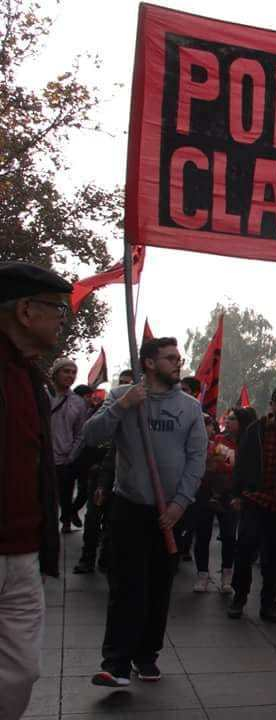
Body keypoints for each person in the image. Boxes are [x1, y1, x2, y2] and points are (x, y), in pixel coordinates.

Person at [83, 336, 207, 687]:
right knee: (126, 586)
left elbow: (197, 459)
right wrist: (123, 406)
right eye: (170, 358)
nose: (178, 363)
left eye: (178, 358)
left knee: (158, 586)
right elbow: (90, 436)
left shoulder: (190, 408)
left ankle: (146, 655)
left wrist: (180, 504)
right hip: (129, 507)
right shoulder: (123, 397)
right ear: (149, 363)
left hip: (170, 513)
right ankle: (116, 664)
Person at [0, 263, 67, 719]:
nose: (63, 319)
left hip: (25, 553)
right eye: (57, 309)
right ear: (26, 311)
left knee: (20, 673)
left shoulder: (31, 378)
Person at [227, 383, 276, 623]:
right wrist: (236, 494)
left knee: (275, 556)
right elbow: (241, 463)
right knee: (245, 550)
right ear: (271, 404)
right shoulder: (257, 429)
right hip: (255, 499)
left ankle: (269, 603)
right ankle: (239, 597)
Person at [73, 371, 136, 576]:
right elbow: (89, 436)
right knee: (93, 518)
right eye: (122, 383)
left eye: (129, 383)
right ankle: (87, 558)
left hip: (120, 474)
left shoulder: (137, 411)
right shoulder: (107, 409)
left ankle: (106, 559)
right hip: (99, 471)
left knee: (111, 522)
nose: (125, 387)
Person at [192, 406, 254, 593]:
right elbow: (213, 464)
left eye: (233, 419)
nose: (228, 421)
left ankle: (227, 575)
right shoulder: (218, 439)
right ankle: (202, 574)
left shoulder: (250, 444)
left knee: (229, 536)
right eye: (228, 418)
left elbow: (238, 469)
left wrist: (226, 465)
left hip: (231, 496)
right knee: (202, 535)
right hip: (207, 492)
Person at [50, 356, 89, 533]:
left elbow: (80, 433)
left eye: (74, 373)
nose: (70, 376)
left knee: (65, 495)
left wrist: (71, 455)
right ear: (56, 373)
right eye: (66, 371)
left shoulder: (78, 403)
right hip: (42, 459)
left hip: (65, 459)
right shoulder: (42, 396)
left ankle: (66, 521)